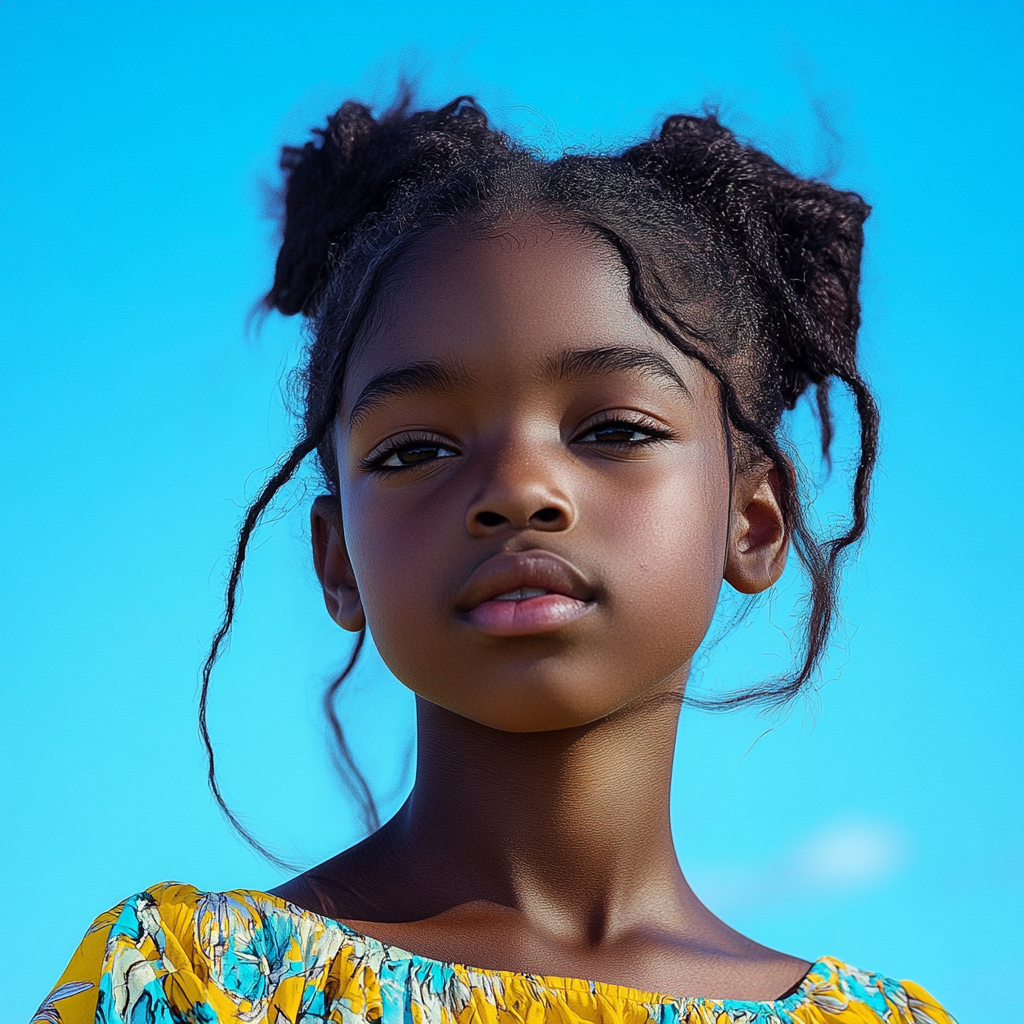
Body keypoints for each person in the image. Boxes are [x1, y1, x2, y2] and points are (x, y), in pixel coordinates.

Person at [35, 94, 957, 1024]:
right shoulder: (187, 986)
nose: (517, 489)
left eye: (613, 430)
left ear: (754, 522)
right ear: (338, 560)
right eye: (415, 451)